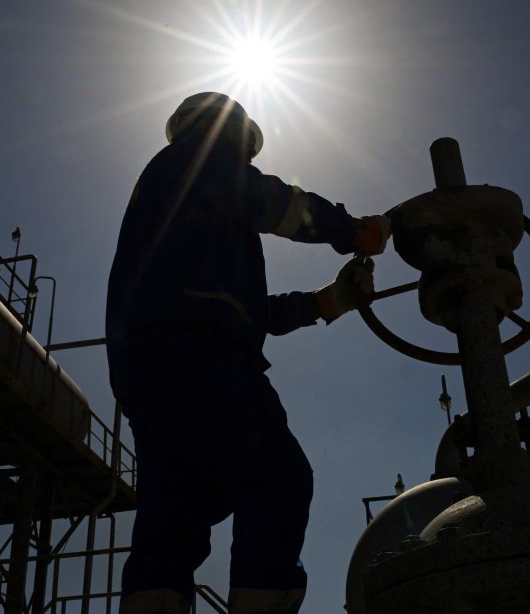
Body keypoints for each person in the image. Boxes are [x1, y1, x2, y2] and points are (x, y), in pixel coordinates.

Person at [106, 92, 390, 614]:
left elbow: (244, 310)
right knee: (277, 476)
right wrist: (352, 231)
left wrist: (327, 302)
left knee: (173, 517)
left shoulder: (176, 204)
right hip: (198, 352)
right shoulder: (203, 158)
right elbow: (277, 204)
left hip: (144, 367)